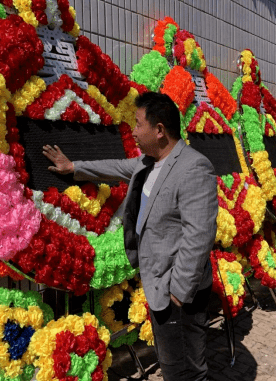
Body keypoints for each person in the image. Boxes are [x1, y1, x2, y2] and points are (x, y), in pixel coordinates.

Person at [43, 92, 218, 381]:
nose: (133, 132)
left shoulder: (194, 168)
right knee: (173, 363)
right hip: (159, 285)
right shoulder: (148, 163)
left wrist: (177, 293)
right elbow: (115, 167)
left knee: (186, 370)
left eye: (138, 124)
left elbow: (199, 236)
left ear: (159, 130)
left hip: (180, 295)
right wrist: (73, 167)